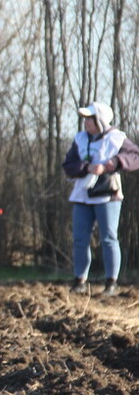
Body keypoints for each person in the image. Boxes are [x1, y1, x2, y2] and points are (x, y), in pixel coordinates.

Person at [62, 102, 139, 296]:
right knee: (80, 239)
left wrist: (113, 163)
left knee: (108, 238)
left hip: (108, 195)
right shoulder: (79, 139)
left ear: (100, 120)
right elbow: (68, 165)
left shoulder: (116, 138)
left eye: (90, 118)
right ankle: (79, 280)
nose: (86, 122)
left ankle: (111, 282)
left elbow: (135, 156)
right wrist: (86, 167)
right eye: (85, 119)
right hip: (82, 195)